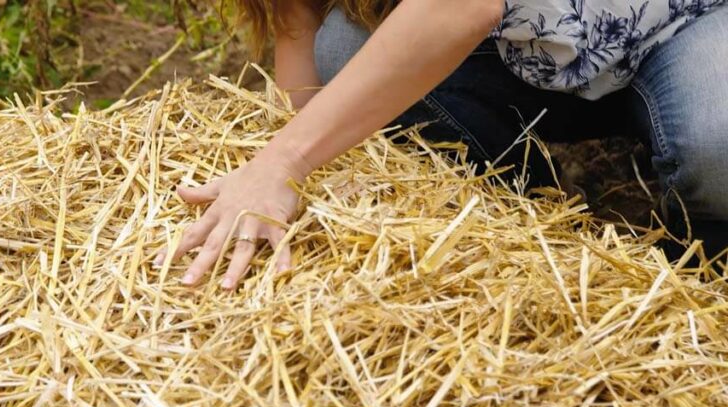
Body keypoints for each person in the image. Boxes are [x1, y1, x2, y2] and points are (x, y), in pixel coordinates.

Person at [153, 0, 728, 289]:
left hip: (682, 21)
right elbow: (298, 45)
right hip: (528, 49)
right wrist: (270, 169)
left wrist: (284, 159)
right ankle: (537, 215)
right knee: (341, 62)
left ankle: (696, 269)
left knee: (718, 146)